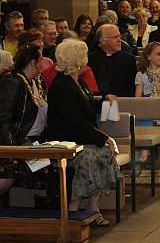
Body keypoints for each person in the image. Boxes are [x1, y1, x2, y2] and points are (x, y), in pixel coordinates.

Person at [47, 39, 118, 226]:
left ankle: (93, 208)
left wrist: (104, 101)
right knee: (90, 156)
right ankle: (73, 208)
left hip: (78, 137)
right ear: (77, 58)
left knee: (103, 153)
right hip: (65, 141)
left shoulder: (78, 81)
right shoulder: (62, 85)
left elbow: (87, 105)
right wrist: (104, 138)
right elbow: (75, 121)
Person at [0, 44, 47, 195]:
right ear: (33, 62)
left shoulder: (39, 82)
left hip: (37, 141)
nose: (45, 61)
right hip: (18, 140)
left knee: (52, 167)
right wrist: (12, 149)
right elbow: (4, 118)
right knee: (10, 172)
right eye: (42, 58)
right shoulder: (12, 81)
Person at [89, 24, 137, 97]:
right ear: (103, 41)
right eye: (115, 37)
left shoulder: (129, 59)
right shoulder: (91, 59)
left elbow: (132, 88)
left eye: (119, 36)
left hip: (122, 103)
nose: (119, 40)